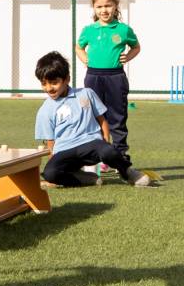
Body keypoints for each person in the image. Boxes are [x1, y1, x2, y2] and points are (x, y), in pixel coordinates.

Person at [34, 51, 149, 188]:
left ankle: (128, 172)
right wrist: (54, 165)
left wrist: (105, 141)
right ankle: (84, 178)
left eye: (54, 83)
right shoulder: (44, 110)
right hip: (64, 150)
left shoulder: (87, 93)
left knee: (109, 151)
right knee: (50, 173)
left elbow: (102, 119)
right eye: (44, 84)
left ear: (67, 79)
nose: (49, 88)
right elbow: (50, 142)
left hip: (91, 144)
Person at [74, 0, 139, 166]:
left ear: (116, 5)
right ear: (94, 8)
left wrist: (128, 56)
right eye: (99, 6)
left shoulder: (123, 29)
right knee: (93, 116)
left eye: (108, 5)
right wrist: (85, 58)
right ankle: (97, 156)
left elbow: (136, 47)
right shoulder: (89, 30)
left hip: (116, 78)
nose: (104, 10)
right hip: (93, 77)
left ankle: (119, 155)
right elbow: (78, 47)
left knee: (117, 117)